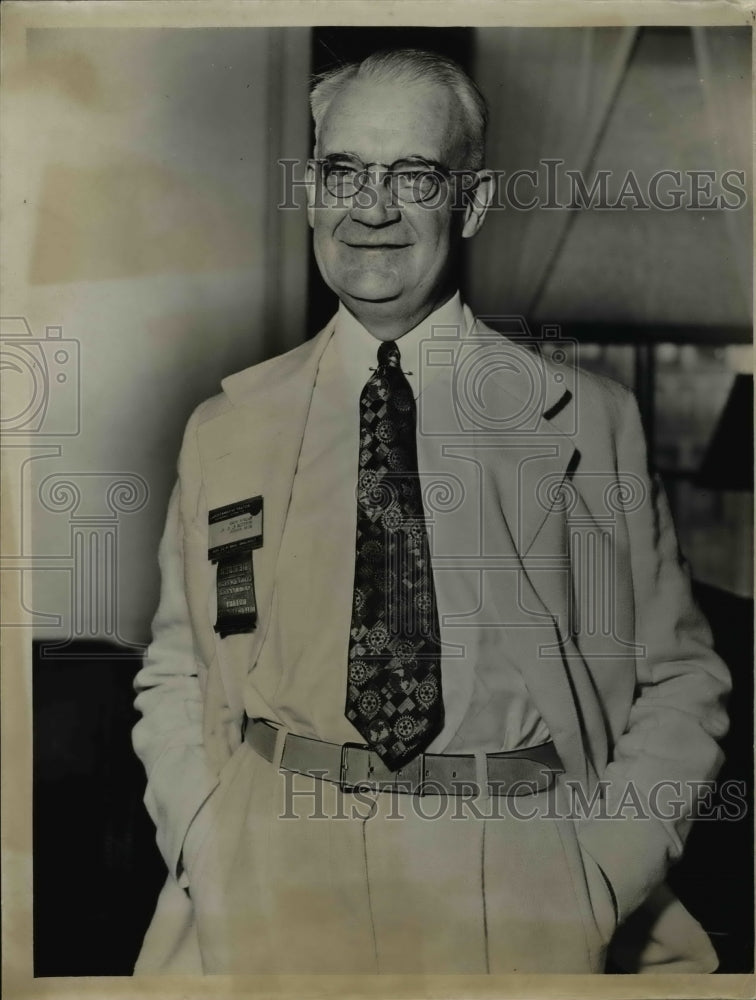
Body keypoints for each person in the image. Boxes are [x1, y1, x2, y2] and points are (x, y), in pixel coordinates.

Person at [132, 48, 731, 975]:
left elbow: (680, 677)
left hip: (512, 882)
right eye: (345, 172)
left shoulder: (589, 423)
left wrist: (598, 876)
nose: (372, 209)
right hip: (269, 874)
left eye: (414, 176)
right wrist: (208, 845)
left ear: (474, 202)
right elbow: (177, 667)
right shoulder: (226, 428)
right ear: (312, 189)